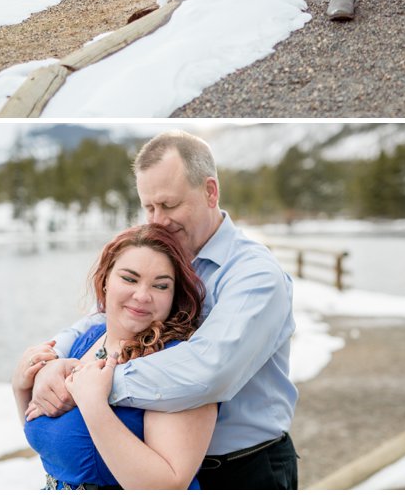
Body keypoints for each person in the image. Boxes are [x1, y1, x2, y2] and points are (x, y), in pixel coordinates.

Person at [29, 131, 299, 490]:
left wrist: (91, 384)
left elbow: (210, 371)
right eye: (149, 207)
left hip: (243, 467)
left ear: (210, 192)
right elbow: (104, 317)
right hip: (165, 454)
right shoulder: (164, 257)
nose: (157, 220)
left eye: (169, 206)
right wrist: (54, 358)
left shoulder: (254, 275)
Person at [14, 224, 214, 489]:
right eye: (130, 279)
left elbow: (169, 486)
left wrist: (95, 405)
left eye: (161, 285)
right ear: (105, 280)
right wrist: (21, 387)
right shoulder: (87, 340)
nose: (142, 296)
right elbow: (46, 439)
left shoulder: (177, 360)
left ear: (174, 295)